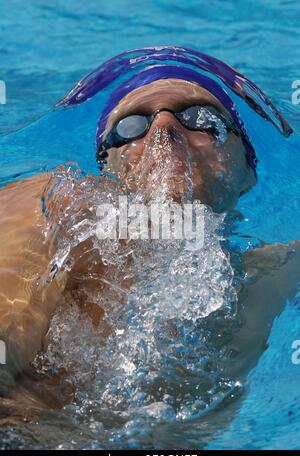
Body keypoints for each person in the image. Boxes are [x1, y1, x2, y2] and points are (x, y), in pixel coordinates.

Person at [0, 65, 299, 398]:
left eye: (200, 118)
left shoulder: (272, 271)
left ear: (248, 169)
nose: (164, 128)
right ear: (109, 166)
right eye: (131, 127)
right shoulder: (58, 205)